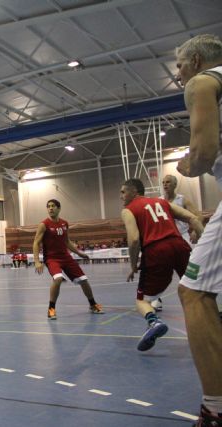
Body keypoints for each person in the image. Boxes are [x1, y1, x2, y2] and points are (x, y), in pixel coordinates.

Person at [174, 34, 222, 425]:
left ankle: (216, 408)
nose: (178, 74)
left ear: (194, 60)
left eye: (179, 65)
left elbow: (203, 154)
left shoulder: (202, 82)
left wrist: (187, 166)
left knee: (194, 292)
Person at [120, 178, 203, 351]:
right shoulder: (161, 202)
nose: (121, 196)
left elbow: (134, 239)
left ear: (134, 192)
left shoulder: (128, 210)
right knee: (193, 291)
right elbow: (193, 218)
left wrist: (133, 265)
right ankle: (209, 321)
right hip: (180, 246)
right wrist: (204, 244)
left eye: (123, 192)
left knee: (142, 301)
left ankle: (153, 322)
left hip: (156, 251)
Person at [33, 199, 103, 319]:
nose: (50, 208)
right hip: (52, 259)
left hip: (66, 257)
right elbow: (36, 243)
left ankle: (92, 304)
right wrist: (37, 261)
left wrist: (79, 253)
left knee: (84, 280)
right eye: (48, 206)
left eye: (53, 206)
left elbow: (67, 242)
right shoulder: (43, 225)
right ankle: (51, 309)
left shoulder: (65, 223)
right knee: (58, 279)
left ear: (59, 208)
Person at [152, 174, 201, 311]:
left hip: (183, 237)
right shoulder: (158, 201)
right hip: (166, 239)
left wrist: (196, 231)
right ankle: (156, 299)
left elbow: (198, 216)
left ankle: (195, 296)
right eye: (163, 182)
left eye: (168, 182)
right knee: (159, 270)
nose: (165, 184)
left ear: (174, 184)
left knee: (190, 270)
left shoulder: (182, 200)